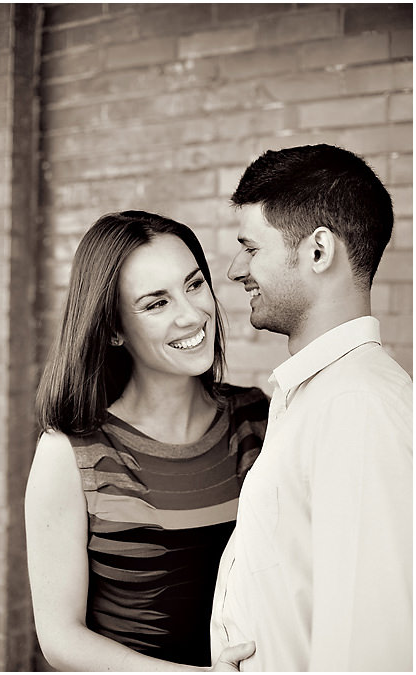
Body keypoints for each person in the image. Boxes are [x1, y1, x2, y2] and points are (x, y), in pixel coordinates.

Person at [26, 211, 265, 671]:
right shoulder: (69, 452)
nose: (191, 314)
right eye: (156, 303)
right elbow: (60, 637)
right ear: (113, 328)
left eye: (194, 285)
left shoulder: (259, 421)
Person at [210, 144, 413, 671]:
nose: (235, 270)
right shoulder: (315, 396)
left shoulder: (358, 409)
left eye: (250, 248)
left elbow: (369, 649)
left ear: (318, 251)